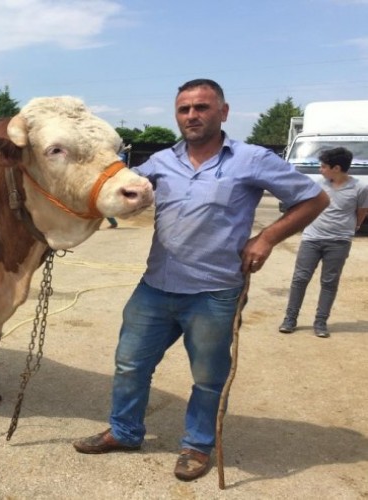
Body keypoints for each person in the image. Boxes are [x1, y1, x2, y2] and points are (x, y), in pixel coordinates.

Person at [73, 79, 329, 481]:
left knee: (208, 379)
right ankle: (124, 431)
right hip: (155, 288)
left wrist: (266, 238)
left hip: (215, 293)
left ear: (223, 112)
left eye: (202, 107)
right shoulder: (159, 162)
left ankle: (196, 445)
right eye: (184, 109)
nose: (192, 115)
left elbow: (315, 199)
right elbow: (117, 192)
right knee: (129, 365)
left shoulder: (252, 159)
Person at [279, 147, 368, 338]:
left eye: (323, 166)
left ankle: (320, 322)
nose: (320, 170)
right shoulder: (317, 185)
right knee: (300, 279)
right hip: (312, 238)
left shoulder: (360, 188)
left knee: (329, 282)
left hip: (339, 242)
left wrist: (351, 229)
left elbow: (361, 211)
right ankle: (290, 319)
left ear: (336, 168)